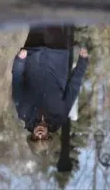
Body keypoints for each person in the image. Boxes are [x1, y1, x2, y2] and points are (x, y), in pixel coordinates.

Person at [11, 26, 89, 155]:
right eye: (44, 138)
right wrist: (83, 62)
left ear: (31, 136)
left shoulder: (23, 112)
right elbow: (74, 86)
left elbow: (17, 81)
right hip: (57, 53)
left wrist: (20, 61)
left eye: (36, 138)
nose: (40, 135)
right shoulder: (61, 115)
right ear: (50, 136)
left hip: (32, 53)